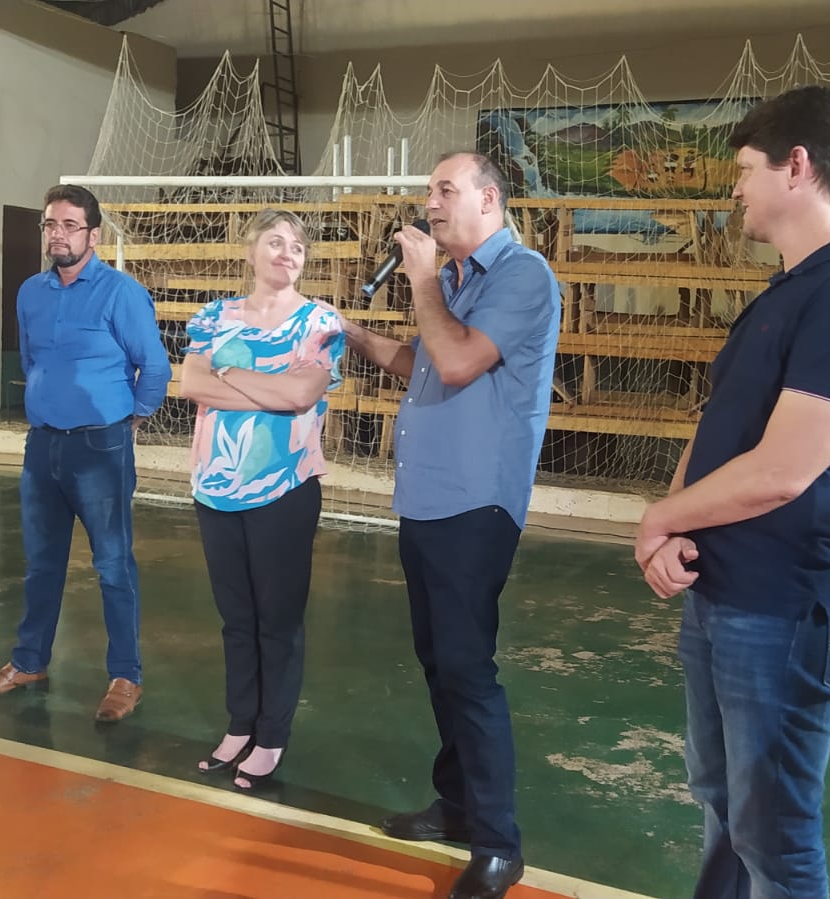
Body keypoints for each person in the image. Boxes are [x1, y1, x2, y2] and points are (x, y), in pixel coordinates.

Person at [634, 86, 830, 899]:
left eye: (745, 170)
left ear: (797, 166)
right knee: (724, 805)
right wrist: (675, 526)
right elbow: (721, 421)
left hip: (788, 606)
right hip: (726, 589)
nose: (736, 189)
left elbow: (782, 470)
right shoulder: (792, 287)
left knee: (775, 835)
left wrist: (658, 517)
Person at [344, 152, 559, 899]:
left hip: (477, 503)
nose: (430, 202)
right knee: (439, 661)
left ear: (489, 199)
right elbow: (430, 363)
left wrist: (423, 280)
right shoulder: (459, 282)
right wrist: (355, 335)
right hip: (428, 500)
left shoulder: (523, 275)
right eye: (429, 190)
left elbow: (461, 361)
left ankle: (498, 844)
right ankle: (459, 804)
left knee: (468, 668)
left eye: (444, 189)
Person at [0, 184, 170, 722]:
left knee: (112, 565)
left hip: (101, 447)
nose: (58, 234)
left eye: (70, 225)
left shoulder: (121, 293)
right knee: (41, 564)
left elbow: (155, 367)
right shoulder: (30, 292)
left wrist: (130, 418)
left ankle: (126, 675)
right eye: (51, 225)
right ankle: (29, 662)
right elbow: (32, 359)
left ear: (93, 236)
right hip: (42, 446)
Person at [177, 209, 344, 791]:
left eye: (297, 246)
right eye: (275, 241)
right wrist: (266, 389)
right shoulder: (213, 316)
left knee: (278, 620)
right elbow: (191, 383)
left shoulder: (320, 322)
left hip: (284, 489)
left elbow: (301, 395)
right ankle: (239, 723)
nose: (286, 253)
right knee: (236, 619)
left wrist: (227, 374)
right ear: (250, 251)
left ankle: (271, 735)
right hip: (215, 489)